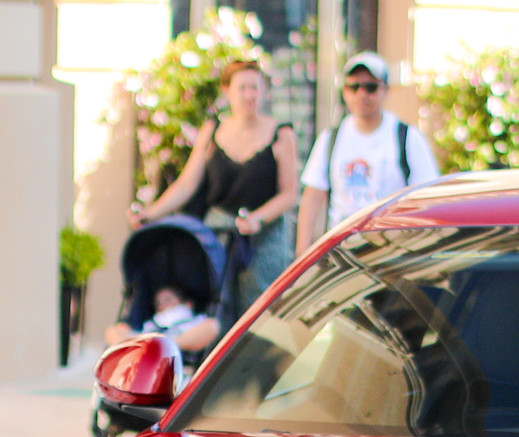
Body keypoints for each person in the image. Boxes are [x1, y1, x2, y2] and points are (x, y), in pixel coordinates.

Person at [133, 58, 299, 309]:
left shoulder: (281, 134)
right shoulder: (213, 130)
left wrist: (257, 219)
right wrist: (151, 213)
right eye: (242, 88)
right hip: (218, 236)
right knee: (216, 311)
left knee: (260, 315)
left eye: (255, 87)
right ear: (227, 92)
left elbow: (290, 194)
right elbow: (187, 183)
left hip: (264, 240)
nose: (249, 95)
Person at [297, 52, 439, 252]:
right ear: (345, 92)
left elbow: (428, 198)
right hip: (342, 252)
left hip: (393, 250)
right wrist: (302, 255)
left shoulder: (407, 137)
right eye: (353, 87)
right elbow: (312, 198)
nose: (361, 94)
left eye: (371, 87)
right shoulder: (330, 138)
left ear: (385, 90)